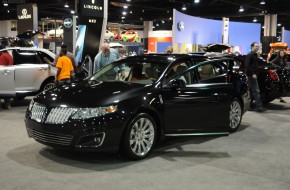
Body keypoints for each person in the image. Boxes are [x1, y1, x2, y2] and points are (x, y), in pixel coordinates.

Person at [245, 42, 266, 112]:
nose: (257, 48)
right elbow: (247, 66)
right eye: (256, 46)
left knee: (252, 91)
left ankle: (250, 106)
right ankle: (259, 107)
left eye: (258, 46)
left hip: (254, 75)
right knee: (256, 91)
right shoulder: (249, 55)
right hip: (251, 76)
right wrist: (253, 74)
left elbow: (257, 63)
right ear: (252, 47)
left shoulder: (254, 55)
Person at [0, 44, 14, 109]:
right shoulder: (9, 55)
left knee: (2, 90)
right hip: (9, 74)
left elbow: (1, 67)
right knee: (7, 90)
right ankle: (8, 104)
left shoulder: (3, 56)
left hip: (3, 74)